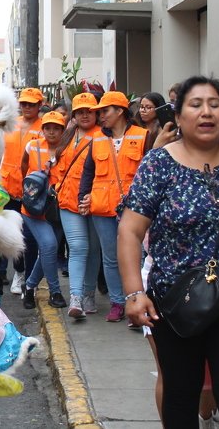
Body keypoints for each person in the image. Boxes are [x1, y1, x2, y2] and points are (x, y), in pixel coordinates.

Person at [118, 76, 219, 427]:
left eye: (214, 104)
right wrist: (134, 292)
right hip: (177, 305)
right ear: (178, 117)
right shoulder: (158, 165)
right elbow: (131, 231)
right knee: (181, 396)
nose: (206, 112)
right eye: (195, 105)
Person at [77, 91, 147, 322]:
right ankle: (117, 303)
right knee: (110, 258)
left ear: (120, 111)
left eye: (104, 111)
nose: (101, 116)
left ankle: (135, 301)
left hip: (134, 208)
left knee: (135, 256)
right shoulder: (96, 138)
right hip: (102, 206)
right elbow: (88, 172)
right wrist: (83, 196)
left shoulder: (143, 136)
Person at [51, 92, 104, 319]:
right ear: (74, 115)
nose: (84, 115)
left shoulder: (103, 136)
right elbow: (57, 166)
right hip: (68, 201)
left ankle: (89, 293)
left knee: (94, 250)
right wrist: (55, 185)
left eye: (89, 111)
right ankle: (76, 297)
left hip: (95, 201)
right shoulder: (68, 136)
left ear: (96, 113)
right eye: (80, 111)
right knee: (79, 247)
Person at [18, 110, 68, 310]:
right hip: (34, 208)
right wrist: (32, 191)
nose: (52, 132)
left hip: (57, 208)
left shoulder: (68, 149)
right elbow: (23, 167)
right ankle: (55, 292)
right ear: (43, 129)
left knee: (49, 249)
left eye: (56, 128)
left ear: (63, 130)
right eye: (48, 128)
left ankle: (29, 287)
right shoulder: (33, 146)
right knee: (48, 246)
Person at [0, 87, 45, 295]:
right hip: (7, 186)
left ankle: (29, 278)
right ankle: (18, 272)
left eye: (31, 104)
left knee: (30, 236)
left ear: (39, 106)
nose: (27, 107)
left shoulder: (45, 126)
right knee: (13, 233)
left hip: (32, 189)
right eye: (24, 103)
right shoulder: (11, 124)